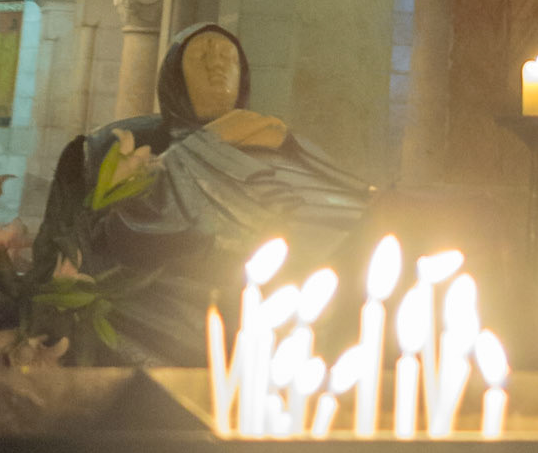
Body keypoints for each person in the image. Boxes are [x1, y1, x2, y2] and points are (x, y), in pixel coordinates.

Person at [37, 23, 370, 363]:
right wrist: (208, 142)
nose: (217, 65)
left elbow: (348, 196)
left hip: (306, 275)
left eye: (227, 56)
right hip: (203, 301)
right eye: (201, 57)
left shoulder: (281, 139)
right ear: (174, 78)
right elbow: (120, 233)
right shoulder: (137, 151)